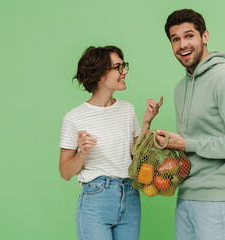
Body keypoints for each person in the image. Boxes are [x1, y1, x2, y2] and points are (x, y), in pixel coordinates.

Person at [157, 9, 225, 240]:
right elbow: (194, 143)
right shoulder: (180, 88)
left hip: (217, 201)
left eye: (189, 35)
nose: (182, 44)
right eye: (175, 39)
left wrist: (186, 143)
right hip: (186, 197)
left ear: (205, 37)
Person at [59, 45, 163, 240]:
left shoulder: (127, 110)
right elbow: (65, 172)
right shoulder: (74, 118)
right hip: (96, 200)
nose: (124, 72)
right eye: (118, 67)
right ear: (100, 75)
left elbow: (137, 160)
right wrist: (82, 153)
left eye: (123, 66)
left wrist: (147, 122)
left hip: (130, 196)